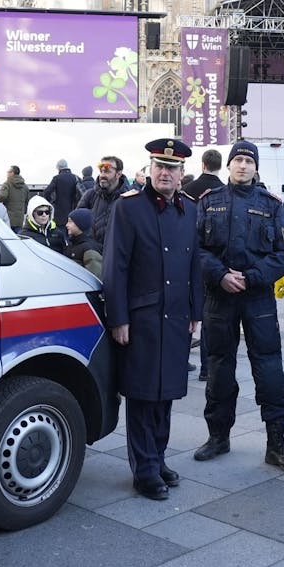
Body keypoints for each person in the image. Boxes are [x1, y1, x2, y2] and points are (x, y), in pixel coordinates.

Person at [192, 140, 284, 474]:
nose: (242, 166)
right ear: (228, 166)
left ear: (256, 168)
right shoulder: (208, 202)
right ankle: (218, 436)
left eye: (248, 161)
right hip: (219, 297)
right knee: (219, 368)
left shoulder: (271, 205)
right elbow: (194, 248)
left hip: (258, 299)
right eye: (237, 160)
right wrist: (220, 275)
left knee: (269, 370)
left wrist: (253, 277)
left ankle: (277, 444)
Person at [102, 138, 204, 500]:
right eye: (159, 166)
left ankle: (158, 459)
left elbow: (195, 262)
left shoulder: (190, 208)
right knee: (144, 394)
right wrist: (119, 318)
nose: (165, 172)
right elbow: (115, 265)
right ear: (149, 169)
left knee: (168, 393)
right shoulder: (128, 207)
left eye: (172, 168)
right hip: (142, 317)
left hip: (176, 315)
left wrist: (196, 311)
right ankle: (144, 470)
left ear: (181, 175)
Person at [182, 147, 226, 382]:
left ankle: (181, 360)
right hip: (212, 260)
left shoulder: (187, 190)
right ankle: (206, 369)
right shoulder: (224, 191)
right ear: (221, 165)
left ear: (202, 164)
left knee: (187, 311)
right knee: (208, 316)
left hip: (188, 257)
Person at [77, 156, 132, 245]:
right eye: (101, 171)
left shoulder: (129, 198)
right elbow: (76, 223)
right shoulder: (90, 195)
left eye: (107, 171)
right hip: (93, 253)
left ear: (118, 174)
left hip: (118, 254)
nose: (102, 175)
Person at [65, 207, 103, 278]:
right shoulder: (72, 243)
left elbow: (95, 277)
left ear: (80, 224)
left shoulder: (89, 249)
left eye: (70, 222)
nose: (67, 225)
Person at [45, 159, 80, 225]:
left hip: (59, 214)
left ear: (58, 168)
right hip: (74, 212)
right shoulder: (76, 178)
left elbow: (47, 192)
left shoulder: (57, 178)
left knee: (61, 233)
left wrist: (51, 201)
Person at [0, 165, 29, 230]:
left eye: (8, 172)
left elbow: (2, 196)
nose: (7, 173)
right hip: (20, 220)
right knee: (17, 238)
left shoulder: (7, 184)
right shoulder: (25, 186)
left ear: (12, 173)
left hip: (8, 218)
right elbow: (27, 201)